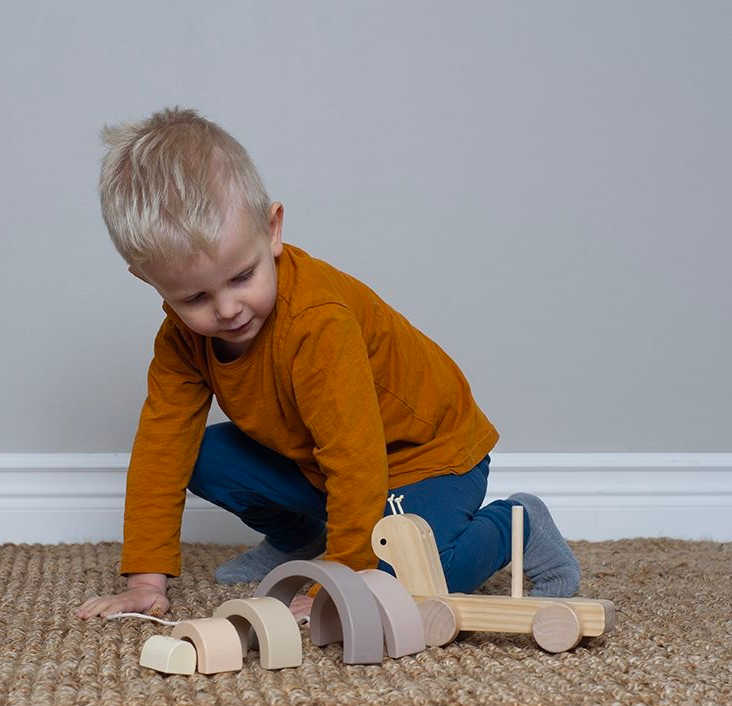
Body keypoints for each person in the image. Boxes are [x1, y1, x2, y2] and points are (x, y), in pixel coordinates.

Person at [75, 108, 579, 622]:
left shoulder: (316, 321)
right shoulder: (180, 341)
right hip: (321, 461)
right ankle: (298, 540)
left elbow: (353, 450)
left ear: (272, 230)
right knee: (197, 456)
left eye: (243, 276)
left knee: (410, 584)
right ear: (150, 282)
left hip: (425, 458)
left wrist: (343, 575)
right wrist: (145, 580)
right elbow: (162, 446)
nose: (227, 309)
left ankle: (517, 525)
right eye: (196, 297)